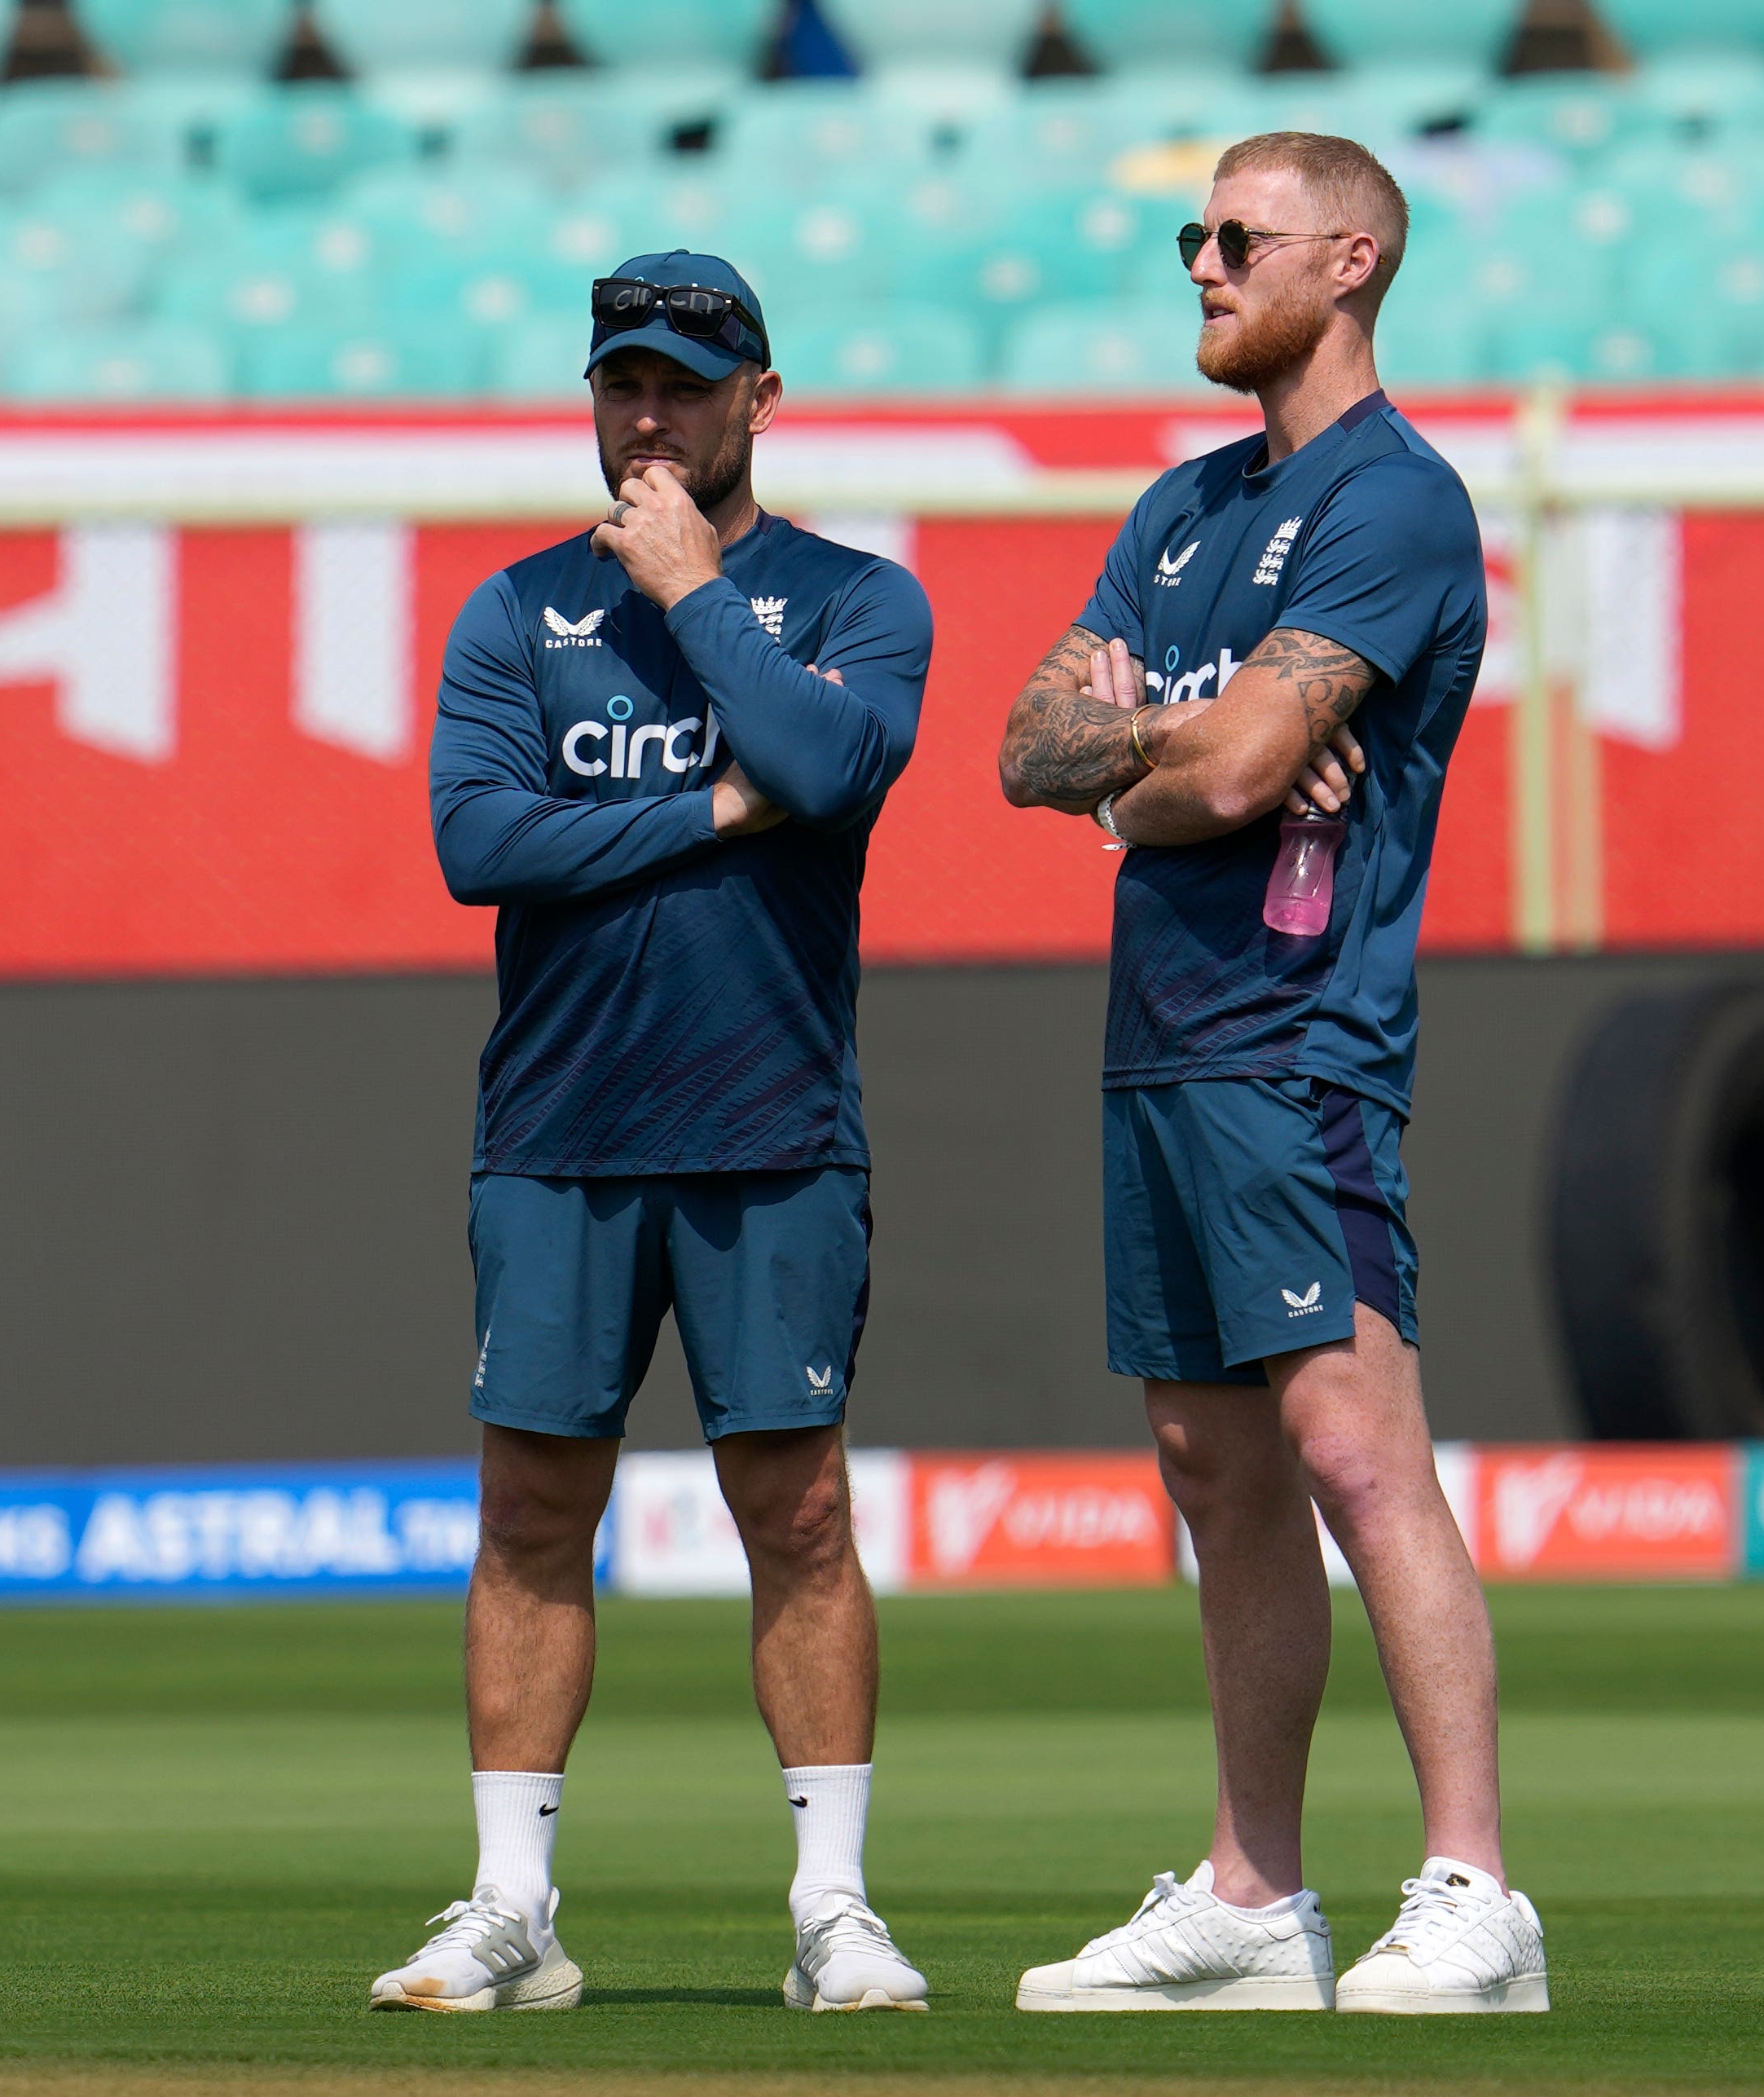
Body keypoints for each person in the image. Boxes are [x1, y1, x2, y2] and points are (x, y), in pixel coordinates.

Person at [994, 134, 1548, 2015]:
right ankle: (1252, 1898)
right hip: (1160, 1038)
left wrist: (1156, 772)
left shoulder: (1397, 501)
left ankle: (1474, 1888)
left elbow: (1228, 786)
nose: (1203, 267)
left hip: (1300, 1042)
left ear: (1355, 257)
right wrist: (1173, 742)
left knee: (1347, 1445)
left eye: (1237, 237)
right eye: (1191, 236)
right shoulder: (1171, 511)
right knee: (1207, 1465)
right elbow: (1023, 742)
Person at [369, 254, 933, 2015]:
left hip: (770, 1126)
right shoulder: (512, 610)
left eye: (688, 384)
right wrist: (711, 804)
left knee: (800, 1509)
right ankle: (508, 1906)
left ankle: (833, 1909)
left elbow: (835, 773)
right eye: (625, 381)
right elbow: (483, 845)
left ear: (760, 399)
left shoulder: (855, 598)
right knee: (531, 1505)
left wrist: (696, 598)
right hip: (556, 1126)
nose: (650, 414)